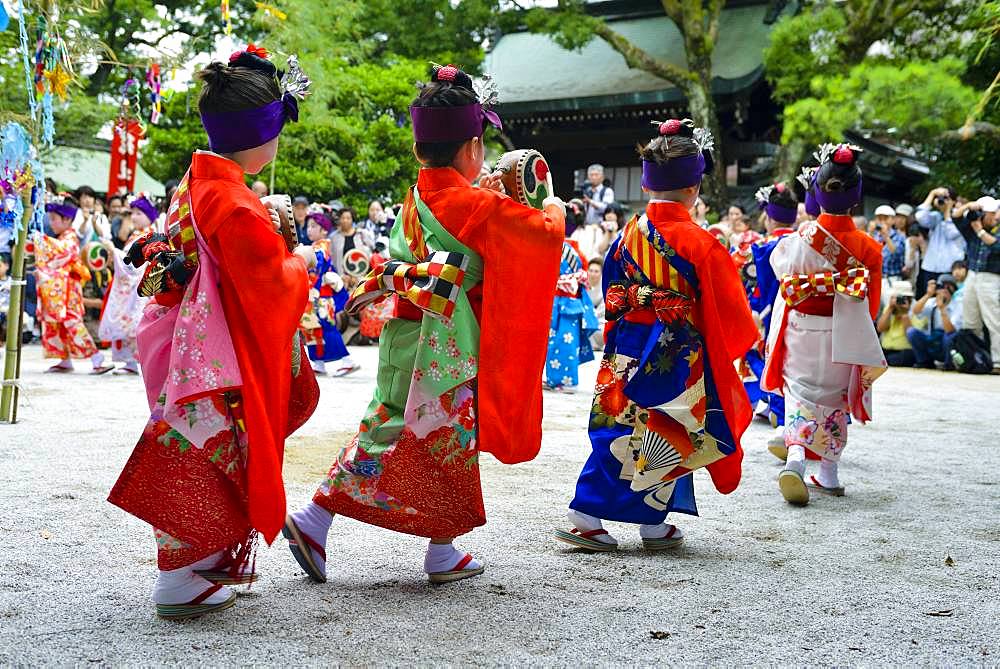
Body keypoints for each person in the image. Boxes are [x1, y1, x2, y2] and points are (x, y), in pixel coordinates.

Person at [283, 64, 565, 584]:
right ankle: (388, 536)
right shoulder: (475, 203)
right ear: (475, 149)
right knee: (439, 439)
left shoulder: (415, 198)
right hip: (447, 344)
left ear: (418, 150)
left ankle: (336, 522)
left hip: (407, 327)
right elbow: (543, 236)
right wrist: (551, 203)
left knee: (394, 424)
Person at [107, 45, 319, 620]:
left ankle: (197, 566)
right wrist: (302, 260)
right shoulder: (235, 203)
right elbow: (272, 285)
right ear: (263, 135)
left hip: (179, 334)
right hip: (206, 351)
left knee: (207, 446)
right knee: (198, 450)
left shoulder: (201, 180)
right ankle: (177, 578)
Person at [555, 118, 757, 552]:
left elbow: (612, 292)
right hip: (676, 350)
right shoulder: (700, 243)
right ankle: (585, 513)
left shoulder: (626, 235)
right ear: (694, 188)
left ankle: (652, 523)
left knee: (619, 426)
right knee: (672, 426)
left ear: (647, 185)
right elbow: (732, 312)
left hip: (626, 341)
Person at [761, 143, 886, 505]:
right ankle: (828, 473)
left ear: (815, 192)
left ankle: (797, 457)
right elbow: (872, 305)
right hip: (845, 331)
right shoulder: (869, 248)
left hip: (802, 327)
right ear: (857, 196)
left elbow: (782, 281)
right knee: (836, 399)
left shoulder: (794, 243)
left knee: (799, 392)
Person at [34, 195, 113, 374]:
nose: (51, 223)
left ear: (67, 219)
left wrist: (39, 240)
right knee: (60, 324)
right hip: (61, 287)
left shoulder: (70, 238)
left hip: (68, 290)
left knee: (72, 323)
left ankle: (96, 358)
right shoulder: (63, 237)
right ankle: (65, 359)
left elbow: (59, 252)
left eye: (54, 218)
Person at [96, 194, 157, 375]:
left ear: (149, 215)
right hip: (131, 286)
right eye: (133, 213)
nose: (134, 216)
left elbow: (131, 263)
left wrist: (113, 250)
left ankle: (135, 362)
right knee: (128, 321)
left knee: (135, 322)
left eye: (139, 213)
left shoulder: (150, 235)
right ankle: (129, 362)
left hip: (140, 286)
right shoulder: (137, 235)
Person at [299, 212, 358, 377]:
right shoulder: (314, 246)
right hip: (313, 295)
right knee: (312, 329)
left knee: (326, 328)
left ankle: (347, 361)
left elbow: (316, 262)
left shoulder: (321, 246)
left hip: (322, 298)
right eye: (308, 226)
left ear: (324, 230)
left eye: (313, 226)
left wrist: (303, 254)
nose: (309, 230)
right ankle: (318, 363)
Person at [544, 239, 599, 392]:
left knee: (563, 341)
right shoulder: (574, 251)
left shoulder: (563, 249)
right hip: (564, 301)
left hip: (565, 301)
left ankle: (562, 380)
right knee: (558, 341)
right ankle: (555, 378)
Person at [953, 196, 1000, 370]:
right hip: (972, 274)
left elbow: (997, 246)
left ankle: (997, 360)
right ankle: (974, 358)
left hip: (991, 277)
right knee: (970, 319)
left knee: (993, 319)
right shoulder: (973, 225)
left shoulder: (993, 228)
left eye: (986, 213)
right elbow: (955, 217)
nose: (983, 217)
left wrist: (980, 231)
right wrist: (968, 206)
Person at [915, 187, 966, 297]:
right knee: (928, 300)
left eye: (946, 198)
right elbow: (920, 217)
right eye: (939, 198)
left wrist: (947, 211)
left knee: (948, 303)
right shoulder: (936, 216)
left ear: (954, 201)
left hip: (950, 268)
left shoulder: (961, 218)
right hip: (930, 267)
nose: (942, 200)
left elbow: (951, 233)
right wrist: (932, 194)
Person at [906, 273, 962, 369]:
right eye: (942, 286)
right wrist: (928, 294)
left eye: (948, 287)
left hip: (946, 341)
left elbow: (950, 331)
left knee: (950, 337)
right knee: (911, 332)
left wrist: (942, 309)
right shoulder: (931, 302)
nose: (944, 290)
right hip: (932, 338)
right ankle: (924, 361)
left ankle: (949, 363)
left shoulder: (958, 305)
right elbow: (915, 311)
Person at [328, 206, 375, 288]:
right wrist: (342, 276)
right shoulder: (333, 237)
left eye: (348, 218)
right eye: (342, 218)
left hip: (361, 277)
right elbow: (332, 258)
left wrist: (356, 275)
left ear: (352, 219)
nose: (345, 220)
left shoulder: (362, 234)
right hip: (340, 278)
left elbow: (372, 250)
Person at [876, 281, 915, 367]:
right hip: (886, 349)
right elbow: (880, 328)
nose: (899, 301)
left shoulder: (914, 309)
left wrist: (904, 313)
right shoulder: (889, 308)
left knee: (904, 358)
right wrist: (890, 308)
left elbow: (911, 335)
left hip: (905, 351)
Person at [869, 204, 906, 291]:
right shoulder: (873, 235)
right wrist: (870, 233)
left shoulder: (899, 236)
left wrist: (886, 236)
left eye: (885, 218)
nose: (882, 221)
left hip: (892, 279)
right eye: (879, 218)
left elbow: (896, 254)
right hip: (874, 278)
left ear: (893, 220)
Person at [587, 257, 605, 352]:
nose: (593, 274)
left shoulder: (604, 288)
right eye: (591, 270)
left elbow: (602, 312)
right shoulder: (581, 285)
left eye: (596, 271)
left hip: (599, 321)